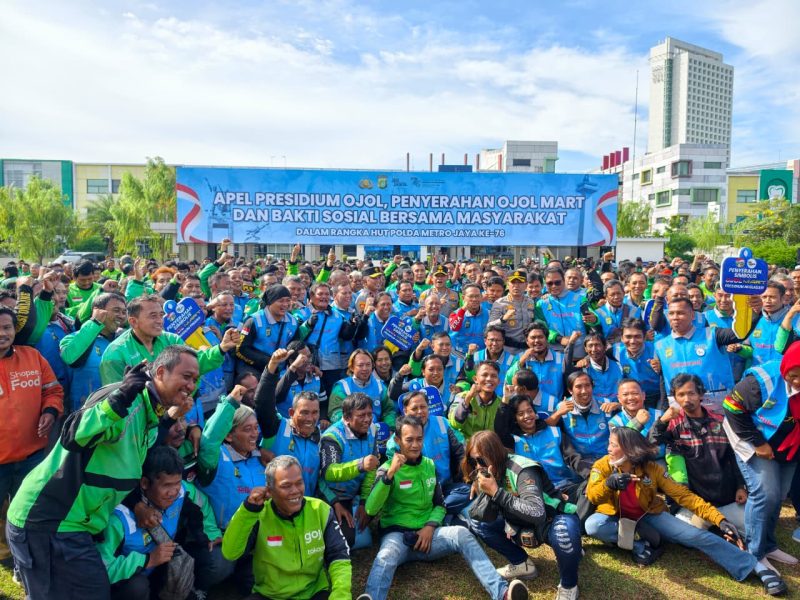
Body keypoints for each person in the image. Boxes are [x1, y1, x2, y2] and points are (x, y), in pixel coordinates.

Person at [7, 346, 197, 599]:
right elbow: (73, 435)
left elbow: (126, 464)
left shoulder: (150, 414)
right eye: (186, 376)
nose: (191, 385)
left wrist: (137, 505)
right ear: (160, 372)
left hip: (76, 525)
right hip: (48, 520)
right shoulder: (125, 398)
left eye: (195, 380)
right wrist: (120, 397)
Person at [585, 427, 785, 596]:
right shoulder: (602, 466)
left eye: (614, 445)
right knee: (593, 525)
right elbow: (593, 496)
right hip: (614, 516)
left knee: (694, 535)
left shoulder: (652, 469)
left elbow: (683, 496)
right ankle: (639, 545)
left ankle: (755, 566)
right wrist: (609, 485)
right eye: (610, 444)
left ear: (629, 449)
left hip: (649, 515)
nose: (608, 449)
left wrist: (719, 519)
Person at [360, 415, 528, 600]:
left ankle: (503, 593)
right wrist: (389, 475)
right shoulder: (386, 469)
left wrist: (430, 526)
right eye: (409, 440)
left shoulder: (429, 465)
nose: (415, 444)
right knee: (385, 556)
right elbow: (370, 509)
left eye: (419, 439)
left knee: (462, 534)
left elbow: (440, 505)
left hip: (429, 539)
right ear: (398, 440)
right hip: (398, 538)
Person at [464, 430, 583, 600]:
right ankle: (521, 563)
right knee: (479, 523)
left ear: (494, 453)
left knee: (564, 533)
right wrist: (481, 487)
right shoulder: (488, 472)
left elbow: (537, 512)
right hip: (518, 521)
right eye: (472, 461)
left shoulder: (522, 469)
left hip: (552, 518)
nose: (477, 466)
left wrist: (496, 492)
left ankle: (568, 585)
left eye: (480, 460)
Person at [96, 446, 226, 600]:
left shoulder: (182, 492)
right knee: (137, 587)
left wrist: (209, 534)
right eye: (166, 485)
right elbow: (101, 570)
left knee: (215, 558)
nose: (173, 492)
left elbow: (200, 507)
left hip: (160, 571)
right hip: (127, 581)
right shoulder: (118, 519)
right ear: (144, 483)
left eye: (177, 483)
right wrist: (148, 559)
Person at [222, 455, 352, 600]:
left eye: (299, 483)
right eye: (286, 486)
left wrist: (341, 595)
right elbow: (230, 553)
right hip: (270, 596)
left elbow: (339, 556)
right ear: (270, 491)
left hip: (313, 593)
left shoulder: (321, 509)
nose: (295, 490)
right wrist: (247, 511)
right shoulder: (257, 515)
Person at [723, 343, 800, 571]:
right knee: (765, 492)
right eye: (793, 375)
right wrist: (758, 443)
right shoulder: (761, 381)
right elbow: (731, 407)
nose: (797, 382)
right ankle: (754, 554)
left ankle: (768, 545)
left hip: (787, 442)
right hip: (752, 437)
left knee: (779, 494)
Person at [650, 374, 744, 530]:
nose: (687, 399)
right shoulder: (673, 425)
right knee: (691, 531)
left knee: (752, 526)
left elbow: (734, 457)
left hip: (726, 496)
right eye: (681, 394)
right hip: (696, 502)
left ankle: (720, 523)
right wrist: (662, 421)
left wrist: (741, 486)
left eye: (691, 393)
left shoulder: (720, 421)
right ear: (675, 398)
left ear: (701, 394)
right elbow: (652, 442)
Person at [100, 294, 236, 385]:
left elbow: (194, 363)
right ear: (133, 321)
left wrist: (221, 348)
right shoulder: (115, 353)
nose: (160, 321)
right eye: (153, 316)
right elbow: (116, 399)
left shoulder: (172, 339)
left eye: (161, 315)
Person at [255, 348, 322, 494]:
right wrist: (272, 365)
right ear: (291, 413)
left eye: (315, 412)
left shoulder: (321, 438)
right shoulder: (277, 428)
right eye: (304, 413)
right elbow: (262, 402)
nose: (310, 418)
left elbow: (322, 480)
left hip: (303, 509)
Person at [319, 392, 380, 548]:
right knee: (346, 542)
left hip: (354, 492)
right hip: (331, 493)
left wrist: (365, 502)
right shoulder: (332, 437)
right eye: (361, 415)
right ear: (346, 418)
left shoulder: (372, 429)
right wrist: (360, 465)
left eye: (369, 414)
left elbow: (371, 468)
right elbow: (328, 472)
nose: (367, 419)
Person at [60, 293, 127, 412]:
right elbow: (71, 358)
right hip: (87, 415)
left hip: (120, 413)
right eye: (116, 310)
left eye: (123, 312)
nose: (121, 316)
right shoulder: (72, 339)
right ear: (97, 311)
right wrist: (95, 323)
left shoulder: (125, 341)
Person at [236, 284, 300, 375]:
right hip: (254, 369)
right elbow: (240, 349)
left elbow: (295, 343)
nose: (285, 304)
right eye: (281, 301)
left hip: (280, 370)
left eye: (288, 300)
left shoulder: (293, 321)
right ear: (270, 302)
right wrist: (268, 361)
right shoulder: (254, 320)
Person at [449, 361, 502, 439]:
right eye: (484, 375)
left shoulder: (500, 403)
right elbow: (454, 424)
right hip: (467, 447)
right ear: (475, 379)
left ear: (498, 381)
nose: (489, 379)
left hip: (490, 446)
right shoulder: (462, 396)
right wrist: (468, 398)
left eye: (494, 376)